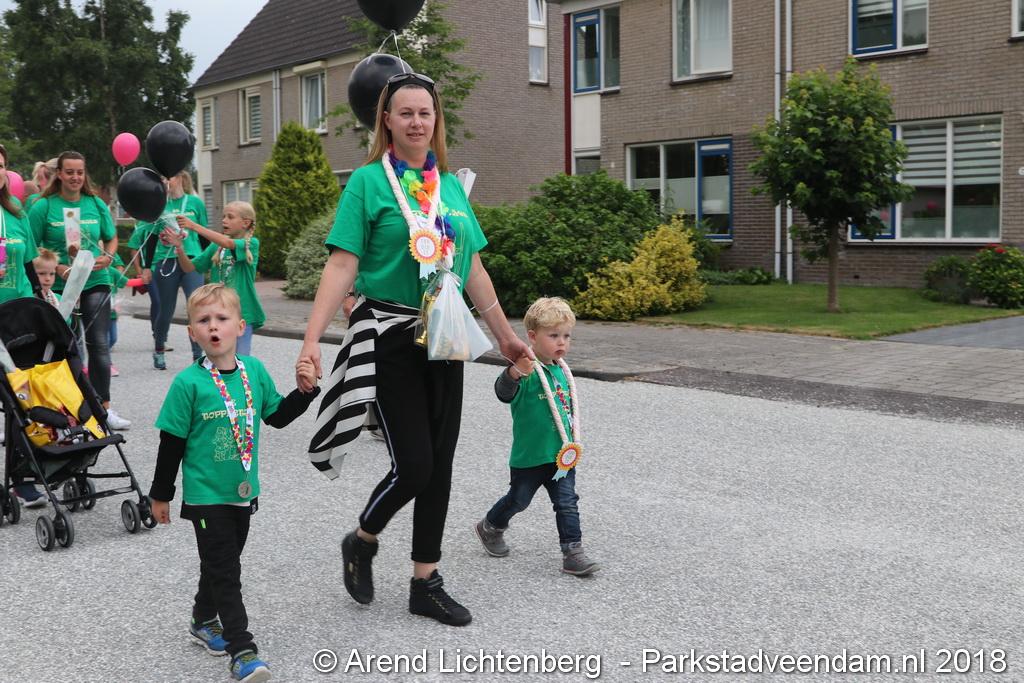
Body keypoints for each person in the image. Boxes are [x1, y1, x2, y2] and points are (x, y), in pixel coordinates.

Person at [295, 71, 533, 627]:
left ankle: (425, 581)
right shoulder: (367, 183)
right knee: (416, 465)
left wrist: (505, 336)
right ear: (387, 119)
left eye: (425, 112)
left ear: (436, 120)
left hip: (446, 334)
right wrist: (311, 340)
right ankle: (363, 538)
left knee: (440, 465)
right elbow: (343, 263)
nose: (417, 122)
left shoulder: (449, 186)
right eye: (406, 112)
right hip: (389, 336)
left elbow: (473, 267)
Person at [148, 283, 319, 683]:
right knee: (226, 570)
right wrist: (161, 495)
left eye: (222, 318)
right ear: (192, 332)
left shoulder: (253, 371)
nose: (213, 326)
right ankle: (242, 651)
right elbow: (170, 444)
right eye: (203, 320)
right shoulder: (188, 384)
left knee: (220, 562)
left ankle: (202, 618)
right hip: (205, 496)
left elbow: (277, 416)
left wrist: (306, 392)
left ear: (240, 327)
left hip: (242, 492)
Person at [474, 297, 600, 576]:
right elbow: (503, 392)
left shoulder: (561, 370)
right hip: (530, 457)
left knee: (567, 503)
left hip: (560, 456)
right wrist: (514, 372)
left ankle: (573, 552)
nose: (561, 342)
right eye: (553, 336)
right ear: (532, 336)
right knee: (518, 500)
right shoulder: (526, 369)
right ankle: (490, 526)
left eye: (566, 336)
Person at [27, 151, 129, 430]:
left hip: (95, 279)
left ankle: (104, 409)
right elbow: (31, 246)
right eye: (69, 172)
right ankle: (72, 408)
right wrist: (56, 267)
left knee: (99, 344)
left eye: (80, 172)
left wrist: (108, 257)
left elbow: (111, 237)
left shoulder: (94, 203)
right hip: (61, 285)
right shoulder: (43, 207)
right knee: (68, 347)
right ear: (59, 174)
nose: (75, 177)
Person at [0, 143, 45, 508]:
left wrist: (43, 302)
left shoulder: (16, 211)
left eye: (0, 165)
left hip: (19, 317)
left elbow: (29, 265)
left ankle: (22, 477)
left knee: (21, 397)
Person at [129, 170, 207, 368]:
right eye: (162, 179)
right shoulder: (159, 204)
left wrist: (209, 260)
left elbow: (203, 233)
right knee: (166, 309)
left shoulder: (195, 203)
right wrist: (146, 267)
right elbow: (151, 238)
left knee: (196, 307)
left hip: (192, 259)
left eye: (168, 177)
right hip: (166, 261)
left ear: (180, 178)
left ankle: (197, 355)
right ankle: (159, 348)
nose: (165, 181)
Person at [169, 201, 265, 356]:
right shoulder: (216, 247)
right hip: (216, 313)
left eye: (230, 217)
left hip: (242, 313)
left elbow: (227, 242)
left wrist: (193, 226)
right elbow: (189, 268)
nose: (224, 220)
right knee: (218, 358)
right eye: (223, 216)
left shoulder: (251, 244)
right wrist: (179, 247)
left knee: (240, 359)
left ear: (245, 223)